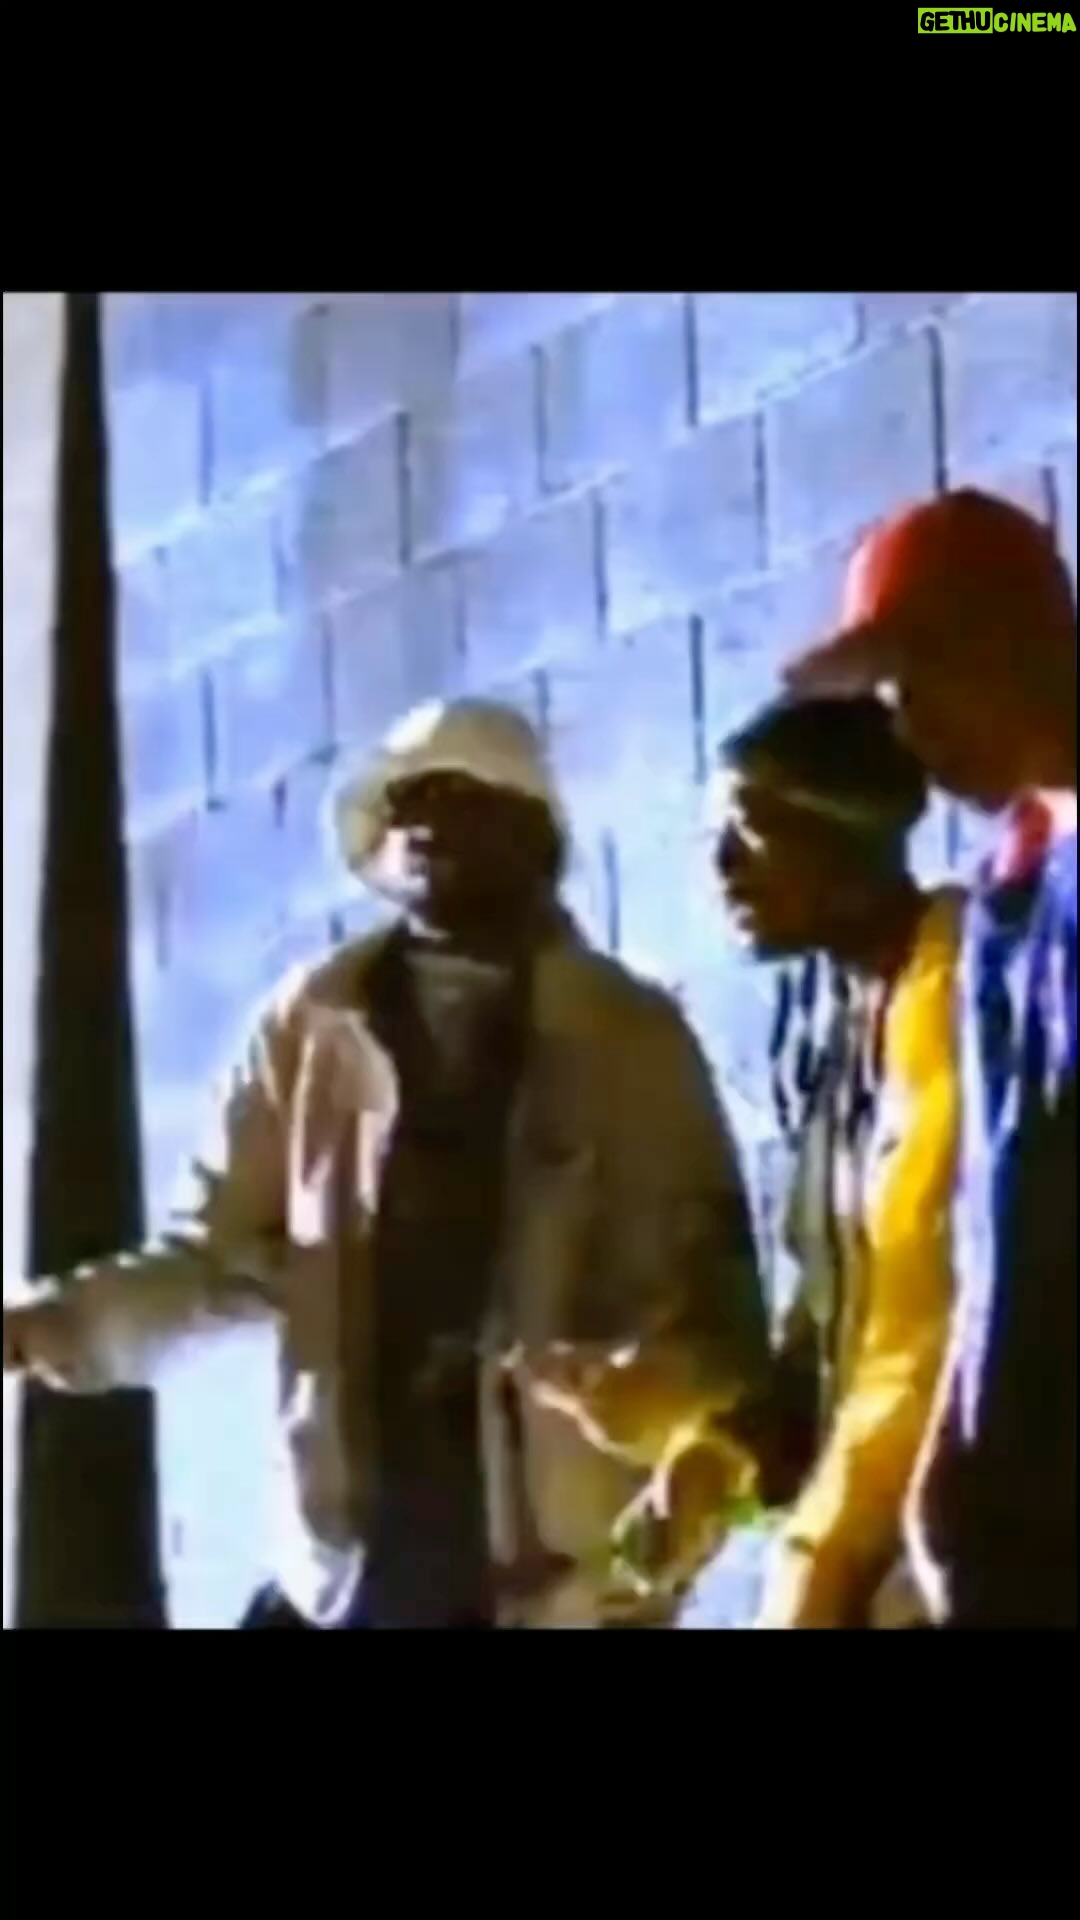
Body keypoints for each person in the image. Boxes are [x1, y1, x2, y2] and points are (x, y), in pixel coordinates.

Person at [3, 697, 770, 1629]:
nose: (422, 820)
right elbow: (215, 1257)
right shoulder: (314, 1025)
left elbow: (709, 1306)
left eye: (459, 795)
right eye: (404, 799)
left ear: (533, 836)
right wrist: (47, 1328)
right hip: (358, 1560)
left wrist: (647, 1432)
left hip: (551, 1572)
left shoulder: (628, 1035)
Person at [786, 488, 1077, 1629]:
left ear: (997, 647)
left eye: (912, 684)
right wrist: (952, 1467)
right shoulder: (1009, 899)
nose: (903, 731)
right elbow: (1000, 1222)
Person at [692, 692, 965, 1629]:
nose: (723, 864)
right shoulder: (832, 1030)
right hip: (884, 1540)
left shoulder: (973, 995)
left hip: (977, 1539)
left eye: (752, 826)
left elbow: (934, 1329)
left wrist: (828, 1561)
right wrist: (715, 1458)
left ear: (851, 830)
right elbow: (827, 1333)